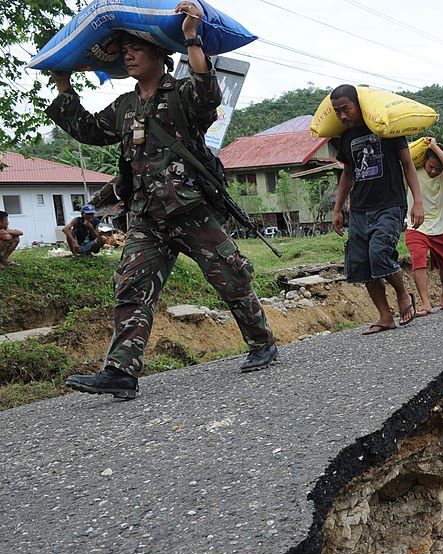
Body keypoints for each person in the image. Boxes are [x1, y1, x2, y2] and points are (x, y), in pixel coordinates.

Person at [46, 3, 277, 400]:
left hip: (190, 210)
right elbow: (87, 129)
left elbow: (208, 93)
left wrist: (190, 36)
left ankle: (262, 341)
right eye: (125, 51)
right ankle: (121, 371)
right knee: (131, 288)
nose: (128, 55)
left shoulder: (182, 94)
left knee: (231, 278)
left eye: (136, 48)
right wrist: (64, 86)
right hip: (146, 218)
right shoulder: (124, 107)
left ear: (159, 54)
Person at [330, 83, 422, 334]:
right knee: (361, 263)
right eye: (337, 112)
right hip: (359, 208)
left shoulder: (386, 128)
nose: (342, 116)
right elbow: (348, 174)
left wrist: (417, 202)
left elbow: (408, 165)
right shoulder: (346, 138)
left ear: (359, 105)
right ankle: (385, 316)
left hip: (390, 204)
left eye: (346, 109)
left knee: (379, 252)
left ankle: (403, 295)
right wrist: (338, 209)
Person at [405, 137, 443, 315]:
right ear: (424, 162)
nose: (434, 171)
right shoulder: (413, 171)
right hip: (417, 225)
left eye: (438, 168)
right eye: (430, 167)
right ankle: (425, 303)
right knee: (418, 258)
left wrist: (434, 147)